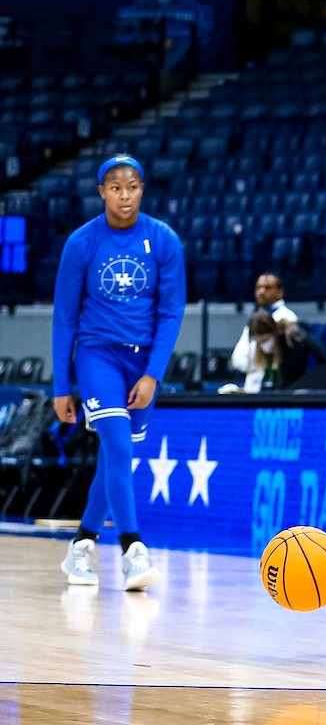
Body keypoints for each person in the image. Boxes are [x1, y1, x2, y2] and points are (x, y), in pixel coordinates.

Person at [51, 154, 185, 591]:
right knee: (118, 448)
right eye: (115, 187)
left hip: (141, 362)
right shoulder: (82, 242)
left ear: (142, 189)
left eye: (132, 187)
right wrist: (60, 386)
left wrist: (154, 374)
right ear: (101, 191)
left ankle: (82, 547)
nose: (124, 196)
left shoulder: (164, 240)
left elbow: (171, 313)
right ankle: (132, 549)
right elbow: (63, 319)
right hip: (97, 356)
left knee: (114, 458)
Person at [230, 273, 296, 377]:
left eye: (267, 288)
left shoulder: (288, 318)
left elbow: (285, 360)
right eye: (259, 288)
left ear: (280, 292)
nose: (261, 292)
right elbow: (237, 360)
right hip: (254, 378)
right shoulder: (254, 318)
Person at [246, 310, 326, 390]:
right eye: (258, 342)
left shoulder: (294, 343)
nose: (263, 345)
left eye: (265, 340)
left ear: (274, 332)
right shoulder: (268, 352)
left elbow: (325, 363)